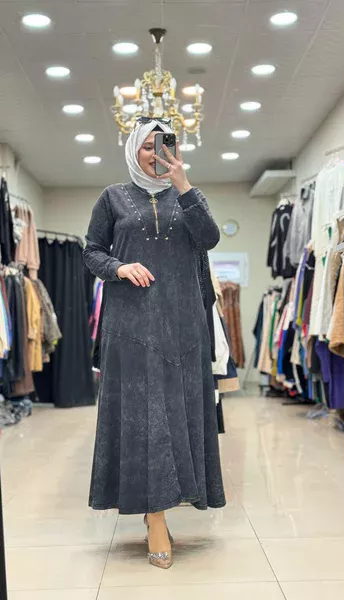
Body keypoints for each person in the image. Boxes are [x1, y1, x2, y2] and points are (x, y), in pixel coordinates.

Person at [83, 118, 226, 569]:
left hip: (184, 325)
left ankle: (166, 505)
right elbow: (91, 251)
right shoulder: (112, 197)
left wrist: (184, 186)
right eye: (146, 146)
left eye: (162, 145)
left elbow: (209, 239)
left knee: (179, 416)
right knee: (145, 420)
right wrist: (119, 268)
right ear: (133, 150)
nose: (155, 154)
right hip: (131, 326)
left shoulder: (187, 195)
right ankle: (156, 517)